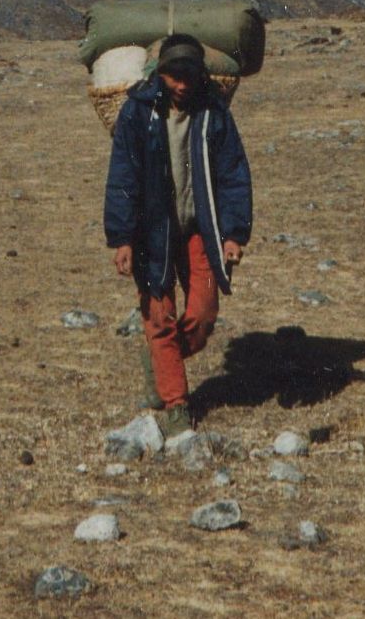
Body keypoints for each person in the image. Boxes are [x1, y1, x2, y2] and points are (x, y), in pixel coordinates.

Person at [103, 33, 253, 436]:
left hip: (199, 228)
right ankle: (175, 404)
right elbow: (122, 179)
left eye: (189, 76)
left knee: (202, 315)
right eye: (173, 76)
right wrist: (121, 239)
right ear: (159, 73)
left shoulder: (213, 112)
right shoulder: (137, 113)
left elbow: (233, 175)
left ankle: (160, 359)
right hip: (151, 232)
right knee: (159, 316)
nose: (182, 85)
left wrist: (234, 233)